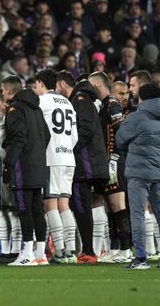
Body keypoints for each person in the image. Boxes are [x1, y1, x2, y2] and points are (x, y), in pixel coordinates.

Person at [116, 83, 160, 269]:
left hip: (138, 172)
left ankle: (141, 258)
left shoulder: (136, 117)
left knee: (138, 214)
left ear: (142, 98)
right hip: (159, 170)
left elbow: (120, 139)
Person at [56, 71, 109, 264]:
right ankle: (93, 249)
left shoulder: (79, 98)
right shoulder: (84, 97)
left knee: (81, 206)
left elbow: (85, 129)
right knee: (87, 205)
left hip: (85, 163)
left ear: (62, 83)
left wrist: (70, 148)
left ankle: (89, 251)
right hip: (90, 161)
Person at [0, 76, 50, 266]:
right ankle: (40, 254)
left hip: (22, 165)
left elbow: (18, 138)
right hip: (38, 164)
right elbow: (46, 136)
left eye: (4, 91)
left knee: (24, 209)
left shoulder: (15, 109)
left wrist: (9, 163)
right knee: (37, 209)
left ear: (8, 90)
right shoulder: (35, 109)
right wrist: (36, 153)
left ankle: (28, 254)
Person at [33, 69, 78, 264]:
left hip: (51, 157)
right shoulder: (67, 102)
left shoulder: (42, 102)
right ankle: (71, 250)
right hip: (69, 157)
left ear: (41, 84)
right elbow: (75, 136)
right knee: (64, 204)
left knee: (50, 203)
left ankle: (59, 251)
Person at [88, 71, 130, 262]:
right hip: (108, 162)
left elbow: (122, 131)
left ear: (97, 84)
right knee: (111, 208)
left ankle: (126, 250)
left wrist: (114, 156)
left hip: (114, 161)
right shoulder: (105, 105)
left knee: (118, 206)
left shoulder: (112, 104)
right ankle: (115, 249)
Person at [0, 88, 22, 263]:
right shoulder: (14, 116)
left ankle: (8, 251)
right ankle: (13, 251)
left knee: (2, 212)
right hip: (14, 169)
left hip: (1, 172)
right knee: (11, 212)